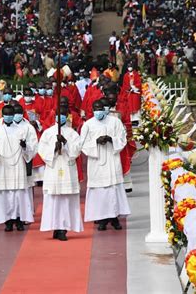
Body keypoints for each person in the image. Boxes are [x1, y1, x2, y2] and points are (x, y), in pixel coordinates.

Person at [0, 105, 37, 232]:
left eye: (10, 114)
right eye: (5, 114)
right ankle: (8, 221)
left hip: (17, 165)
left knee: (18, 195)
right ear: (2, 115)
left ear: (14, 115)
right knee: (6, 195)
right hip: (2, 166)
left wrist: (25, 147)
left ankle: (19, 220)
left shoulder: (21, 130)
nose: (8, 116)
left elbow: (31, 149)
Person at [81, 100, 130, 231]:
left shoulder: (115, 122)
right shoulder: (88, 125)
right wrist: (96, 142)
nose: (98, 111)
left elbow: (122, 138)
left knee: (113, 190)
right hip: (96, 162)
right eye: (95, 108)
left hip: (111, 159)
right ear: (92, 110)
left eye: (100, 108)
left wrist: (111, 139)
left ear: (104, 109)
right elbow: (83, 144)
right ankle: (102, 219)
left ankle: (114, 218)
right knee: (100, 192)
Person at [39, 105, 84, 241]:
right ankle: (54, 226)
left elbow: (77, 150)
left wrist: (66, 143)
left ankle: (63, 228)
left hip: (67, 169)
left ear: (68, 116)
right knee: (53, 200)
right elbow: (41, 149)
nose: (61, 116)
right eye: (59, 114)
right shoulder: (48, 133)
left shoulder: (72, 133)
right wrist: (54, 149)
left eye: (64, 114)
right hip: (53, 169)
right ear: (55, 115)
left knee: (65, 200)